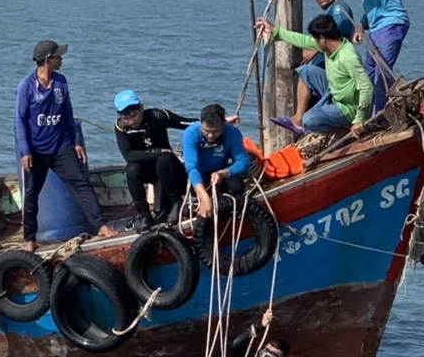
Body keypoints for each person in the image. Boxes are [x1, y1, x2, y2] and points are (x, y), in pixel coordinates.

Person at [15, 40, 117, 252]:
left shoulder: (61, 82)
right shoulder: (26, 87)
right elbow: (20, 120)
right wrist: (25, 151)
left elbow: (68, 114)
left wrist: (76, 142)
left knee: (81, 184)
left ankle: (101, 225)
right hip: (37, 151)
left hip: (61, 146)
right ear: (47, 60)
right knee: (32, 194)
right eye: (58, 56)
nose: (61, 59)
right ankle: (30, 239)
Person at [259, 14, 373, 137]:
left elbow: (367, 87)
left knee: (309, 121)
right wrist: (276, 31)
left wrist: (359, 119)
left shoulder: (348, 57)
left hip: (349, 108)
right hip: (335, 92)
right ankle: (297, 119)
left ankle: (346, 133)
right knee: (306, 71)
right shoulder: (330, 46)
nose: (315, 43)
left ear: (322, 38)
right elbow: (303, 40)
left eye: (316, 40)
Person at [112, 90, 193, 230]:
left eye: (134, 115)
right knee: (132, 169)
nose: (132, 121)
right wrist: (157, 152)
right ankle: (144, 215)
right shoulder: (121, 126)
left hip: (169, 170)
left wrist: (218, 121)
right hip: (148, 170)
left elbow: (188, 123)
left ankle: (176, 203)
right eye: (126, 118)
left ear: (141, 109)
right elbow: (128, 155)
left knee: (163, 159)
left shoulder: (158, 116)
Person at [289, 0, 358, 128]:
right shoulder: (329, 12)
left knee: (306, 72)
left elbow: (338, 35)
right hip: (327, 75)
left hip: (334, 77)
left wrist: (314, 49)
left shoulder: (339, 8)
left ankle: (298, 120)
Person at [182, 103, 251, 221]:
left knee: (237, 186)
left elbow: (244, 162)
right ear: (200, 122)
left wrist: (223, 173)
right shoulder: (191, 133)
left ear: (223, 125)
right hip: (198, 174)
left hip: (220, 173)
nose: (211, 135)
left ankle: (224, 206)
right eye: (206, 131)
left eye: (216, 131)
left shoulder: (232, 133)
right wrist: (204, 197)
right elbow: (191, 167)